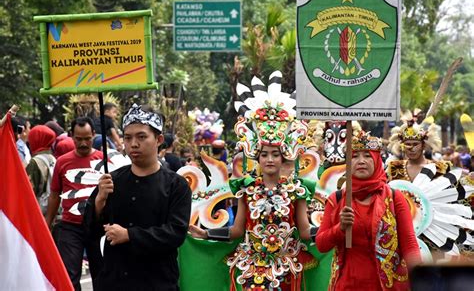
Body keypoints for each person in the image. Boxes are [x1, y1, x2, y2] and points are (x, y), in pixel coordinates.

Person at [189, 71, 317, 290]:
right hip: (251, 270)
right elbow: (237, 230)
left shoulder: (297, 190)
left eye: (275, 154)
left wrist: (335, 229)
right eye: (265, 154)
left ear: (283, 156)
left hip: (286, 269)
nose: (269, 159)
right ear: (257, 156)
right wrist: (207, 233)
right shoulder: (246, 189)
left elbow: (305, 232)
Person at [84, 104, 192, 290]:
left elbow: (176, 233)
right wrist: (99, 202)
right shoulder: (111, 181)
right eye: (127, 137)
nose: (133, 143)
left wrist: (129, 235)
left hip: (157, 281)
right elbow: (91, 232)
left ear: (158, 140)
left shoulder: (177, 185)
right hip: (115, 280)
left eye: (141, 137)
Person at [316, 131, 421, 290]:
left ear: (377, 160)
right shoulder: (337, 199)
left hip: (388, 286)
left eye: (367, 155)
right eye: (355, 156)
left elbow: (410, 245)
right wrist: (340, 228)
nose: (361, 161)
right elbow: (321, 244)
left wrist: (422, 279)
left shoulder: (395, 198)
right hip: (348, 284)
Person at [45, 116, 103, 290]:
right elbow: (55, 195)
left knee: (102, 274)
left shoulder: (104, 161)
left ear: (93, 134)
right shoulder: (62, 162)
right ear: (71, 136)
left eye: (87, 138)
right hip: (70, 227)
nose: (83, 143)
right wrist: (47, 223)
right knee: (69, 277)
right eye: (79, 139)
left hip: (97, 226)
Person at [25, 125, 56, 215]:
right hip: (53, 209)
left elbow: (30, 190)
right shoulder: (53, 159)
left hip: (39, 211)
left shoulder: (35, 162)